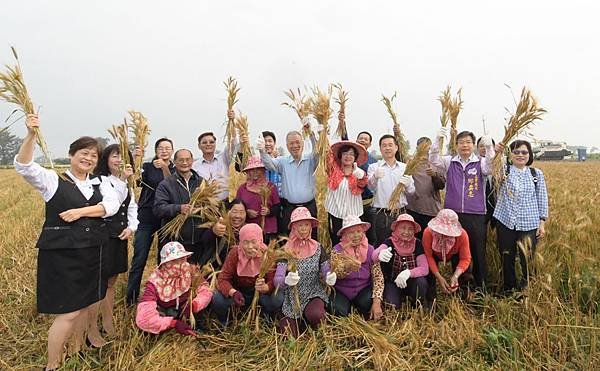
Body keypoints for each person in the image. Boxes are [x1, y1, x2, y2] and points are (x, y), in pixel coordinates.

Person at [15, 114, 121, 370]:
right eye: (83, 153)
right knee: (69, 311)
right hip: (63, 256)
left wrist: (80, 212)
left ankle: (75, 350)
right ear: (72, 154)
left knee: (85, 306)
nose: (88, 158)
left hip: (92, 253)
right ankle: (52, 364)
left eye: (93, 156)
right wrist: (30, 135)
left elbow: (111, 206)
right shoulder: (53, 181)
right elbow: (25, 166)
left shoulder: (101, 183)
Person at [429, 128, 494, 290]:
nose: (465, 145)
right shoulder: (450, 161)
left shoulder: (481, 162)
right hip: (453, 215)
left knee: (478, 251)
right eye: (461, 142)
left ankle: (480, 287)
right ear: (456, 145)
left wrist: (489, 147)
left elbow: (491, 168)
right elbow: (433, 159)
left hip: (476, 214)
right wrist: (438, 139)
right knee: (457, 252)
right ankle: (461, 286)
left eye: (468, 142)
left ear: (473, 145)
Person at [92, 144, 138, 337]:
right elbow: (112, 205)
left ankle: (108, 321)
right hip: (102, 238)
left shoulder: (127, 185)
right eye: (115, 156)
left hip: (119, 238)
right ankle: (91, 326)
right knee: (98, 283)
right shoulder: (99, 180)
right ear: (106, 159)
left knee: (111, 282)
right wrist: (122, 180)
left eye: (123, 156)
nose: (119, 160)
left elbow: (131, 209)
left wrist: (130, 228)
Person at [493, 140, 548, 293]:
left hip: (529, 222)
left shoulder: (536, 174)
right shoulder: (503, 170)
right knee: (507, 258)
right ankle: (508, 289)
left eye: (524, 152)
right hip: (506, 221)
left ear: (529, 155)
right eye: (516, 152)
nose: (520, 155)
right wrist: (497, 152)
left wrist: (542, 222)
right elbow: (492, 166)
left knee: (527, 259)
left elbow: (542, 198)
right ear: (510, 154)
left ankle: (527, 290)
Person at [273, 207, 337, 337]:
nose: (303, 229)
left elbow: (325, 269)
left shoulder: (318, 247)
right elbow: (277, 279)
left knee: (316, 315)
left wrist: (329, 276)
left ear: (310, 227)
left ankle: (314, 326)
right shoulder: (286, 250)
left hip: (312, 292)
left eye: (306, 225)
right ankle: (292, 320)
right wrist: (285, 280)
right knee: (289, 335)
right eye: (300, 225)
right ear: (294, 228)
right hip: (291, 297)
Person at [126, 138, 175, 305]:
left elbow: (173, 185)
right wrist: (136, 158)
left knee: (163, 259)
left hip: (166, 219)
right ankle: (131, 299)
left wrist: (165, 168)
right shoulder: (147, 167)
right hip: (146, 216)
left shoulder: (175, 168)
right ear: (155, 150)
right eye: (160, 148)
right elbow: (135, 181)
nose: (164, 150)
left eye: (167, 148)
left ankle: (161, 298)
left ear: (172, 151)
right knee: (139, 258)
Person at [211, 224, 283, 325]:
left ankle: (265, 314)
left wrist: (265, 287)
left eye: (254, 242)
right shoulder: (235, 253)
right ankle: (226, 320)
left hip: (259, 295)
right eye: (246, 242)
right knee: (217, 298)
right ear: (240, 242)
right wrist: (233, 292)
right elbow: (223, 278)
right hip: (239, 292)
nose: (250, 247)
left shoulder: (267, 254)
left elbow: (274, 281)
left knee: (277, 297)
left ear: (260, 240)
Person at [136, 242, 213, 336]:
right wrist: (172, 323)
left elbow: (206, 291)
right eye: (175, 260)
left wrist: (194, 305)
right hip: (166, 313)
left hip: (186, 309)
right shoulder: (154, 282)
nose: (180, 264)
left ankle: (195, 325)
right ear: (165, 263)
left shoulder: (190, 271)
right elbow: (144, 319)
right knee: (155, 327)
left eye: (182, 259)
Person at [153, 149, 211, 265]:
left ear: (192, 161)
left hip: (198, 241)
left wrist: (203, 209)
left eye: (187, 159)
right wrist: (179, 208)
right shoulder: (166, 184)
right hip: (175, 242)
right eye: (181, 160)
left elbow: (210, 206)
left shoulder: (202, 183)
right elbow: (158, 209)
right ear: (174, 162)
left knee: (196, 278)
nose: (185, 163)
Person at [257, 127, 318, 235]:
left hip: (309, 207)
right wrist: (262, 151)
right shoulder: (282, 162)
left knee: (311, 237)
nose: (294, 146)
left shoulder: (311, 159)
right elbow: (269, 164)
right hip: (289, 208)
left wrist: (311, 133)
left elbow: (318, 151)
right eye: (291, 143)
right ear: (287, 146)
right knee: (290, 240)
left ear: (303, 143)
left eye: (297, 142)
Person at [329, 215, 384, 320]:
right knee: (339, 312)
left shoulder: (370, 250)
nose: (356, 235)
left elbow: (378, 277)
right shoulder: (337, 250)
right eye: (351, 232)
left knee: (367, 303)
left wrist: (377, 302)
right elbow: (335, 274)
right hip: (342, 291)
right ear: (344, 234)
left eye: (359, 231)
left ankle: (359, 307)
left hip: (363, 289)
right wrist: (347, 267)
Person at [367, 135, 415, 246]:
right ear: (380, 149)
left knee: (402, 244)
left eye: (390, 145)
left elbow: (412, 192)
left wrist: (408, 185)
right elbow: (370, 188)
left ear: (396, 147)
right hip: (382, 214)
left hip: (400, 212)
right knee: (382, 245)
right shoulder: (374, 167)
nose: (387, 148)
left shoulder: (404, 168)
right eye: (384, 146)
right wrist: (374, 177)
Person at [373, 214, 429, 308]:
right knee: (391, 305)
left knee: (421, 283)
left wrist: (408, 273)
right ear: (396, 229)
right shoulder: (389, 242)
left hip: (412, 282)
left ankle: (416, 303)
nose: (406, 232)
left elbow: (424, 268)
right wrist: (380, 254)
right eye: (403, 228)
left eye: (410, 229)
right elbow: (374, 255)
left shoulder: (417, 244)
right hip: (393, 282)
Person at [192, 110, 247, 203]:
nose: (208, 144)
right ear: (199, 146)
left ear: (215, 144)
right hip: (204, 204)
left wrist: (231, 121)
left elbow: (232, 141)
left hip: (223, 203)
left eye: (211, 142)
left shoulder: (223, 158)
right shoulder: (194, 166)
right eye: (204, 142)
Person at [422, 209, 472, 301]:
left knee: (465, 273)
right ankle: (430, 302)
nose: (444, 235)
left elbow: (465, 259)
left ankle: (461, 299)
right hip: (434, 255)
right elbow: (428, 256)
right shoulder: (428, 233)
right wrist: (439, 277)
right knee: (427, 271)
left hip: (454, 254)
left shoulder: (462, 235)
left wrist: (456, 276)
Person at [326, 141, 369, 245]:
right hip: (336, 213)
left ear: (355, 157)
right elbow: (325, 153)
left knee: (355, 242)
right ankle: (338, 261)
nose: (348, 156)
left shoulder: (359, 172)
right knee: (337, 242)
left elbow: (364, 183)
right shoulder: (333, 169)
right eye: (345, 153)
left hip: (354, 214)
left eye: (351, 154)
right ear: (340, 156)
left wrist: (360, 176)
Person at [406, 137, 446, 239]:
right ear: (417, 149)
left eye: (428, 149)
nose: (425, 152)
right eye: (422, 149)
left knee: (430, 239)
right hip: (413, 208)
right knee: (415, 240)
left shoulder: (437, 164)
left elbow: (441, 185)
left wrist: (434, 175)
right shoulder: (411, 164)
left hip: (431, 210)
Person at [235, 156, 280, 241]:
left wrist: (269, 211)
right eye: (252, 170)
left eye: (258, 169)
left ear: (263, 170)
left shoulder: (270, 187)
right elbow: (236, 206)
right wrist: (247, 212)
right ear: (248, 172)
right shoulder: (242, 188)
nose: (255, 172)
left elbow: (277, 206)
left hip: (268, 229)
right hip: (249, 229)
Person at [201, 198, 248, 267]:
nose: (238, 216)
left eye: (241, 212)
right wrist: (213, 231)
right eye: (234, 212)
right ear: (227, 212)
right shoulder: (220, 226)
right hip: (218, 271)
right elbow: (204, 240)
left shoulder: (248, 230)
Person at [356, 131, 379, 242]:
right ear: (356, 141)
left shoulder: (373, 161)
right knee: (356, 233)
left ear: (370, 144)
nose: (363, 140)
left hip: (368, 204)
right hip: (353, 204)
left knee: (371, 234)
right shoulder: (350, 157)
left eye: (366, 139)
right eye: (361, 138)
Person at [477, 136, 497, 229]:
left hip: (497, 205)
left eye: (488, 146)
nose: (485, 148)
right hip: (480, 206)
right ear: (477, 148)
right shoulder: (473, 163)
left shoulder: (500, 163)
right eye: (481, 146)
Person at [262, 130, 283, 197]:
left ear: (274, 143)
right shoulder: (257, 162)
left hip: (280, 198)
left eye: (270, 141)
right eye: (265, 141)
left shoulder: (281, 161)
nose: (267, 144)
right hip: (263, 198)